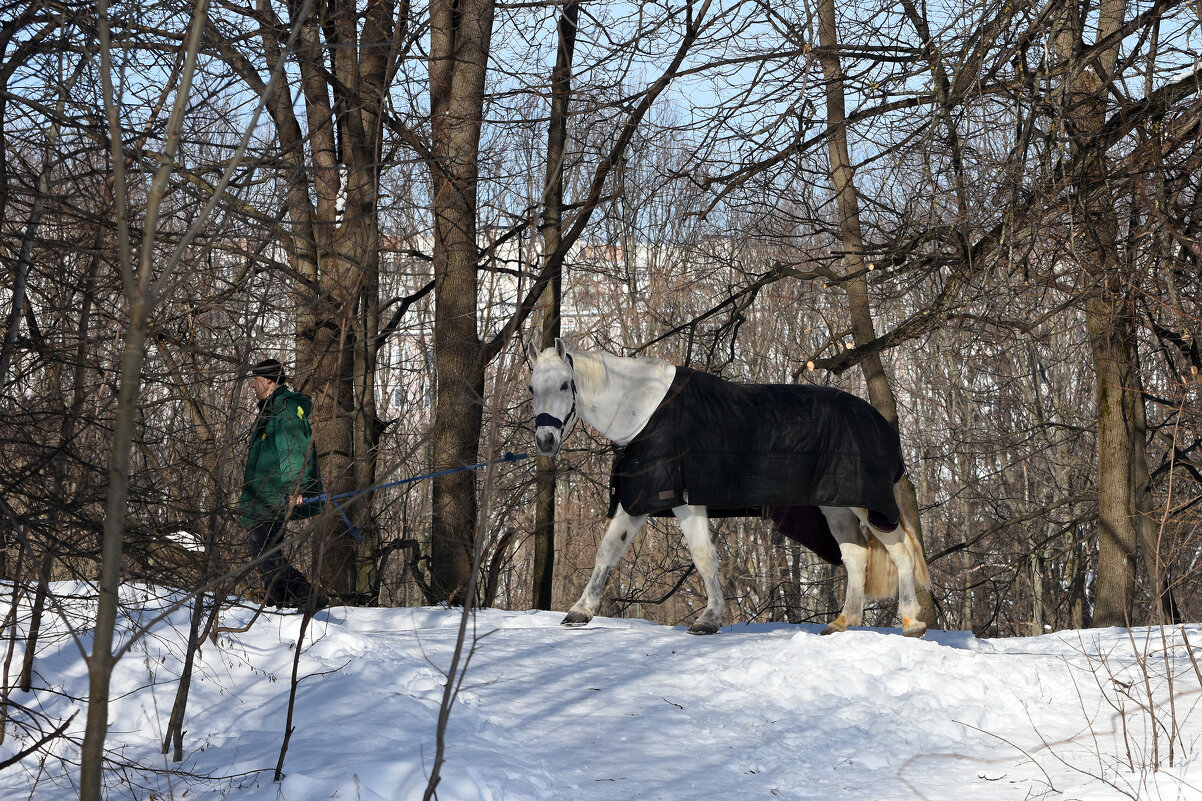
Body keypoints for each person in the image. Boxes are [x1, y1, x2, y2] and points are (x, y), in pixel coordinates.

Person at [239, 358, 326, 609]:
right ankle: (280, 603)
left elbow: (294, 451)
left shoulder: (285, 409)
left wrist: (294, 489)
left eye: (255, 380)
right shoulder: (271, 410)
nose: (252, 386)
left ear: (268, 380)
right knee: (265, 554)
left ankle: (307, 596)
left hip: (274, 496)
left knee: (264, 553)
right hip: (262, 496)